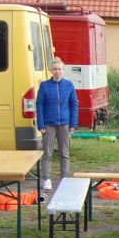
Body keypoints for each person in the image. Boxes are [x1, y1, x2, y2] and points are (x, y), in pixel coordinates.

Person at [36, 57, 78, 191]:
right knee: (47, 153)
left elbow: (74, 104)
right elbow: (39, 105)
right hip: (48, 124)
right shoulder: (44, 86)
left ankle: (64, 178)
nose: (57, 72)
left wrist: (73, 124)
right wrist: (41, 124)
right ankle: (47, 179)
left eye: (59, 69)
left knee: (64, 153)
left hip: (65, 124)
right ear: (51, 70)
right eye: (54, 69)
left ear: (63, 71)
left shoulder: (69, 85)